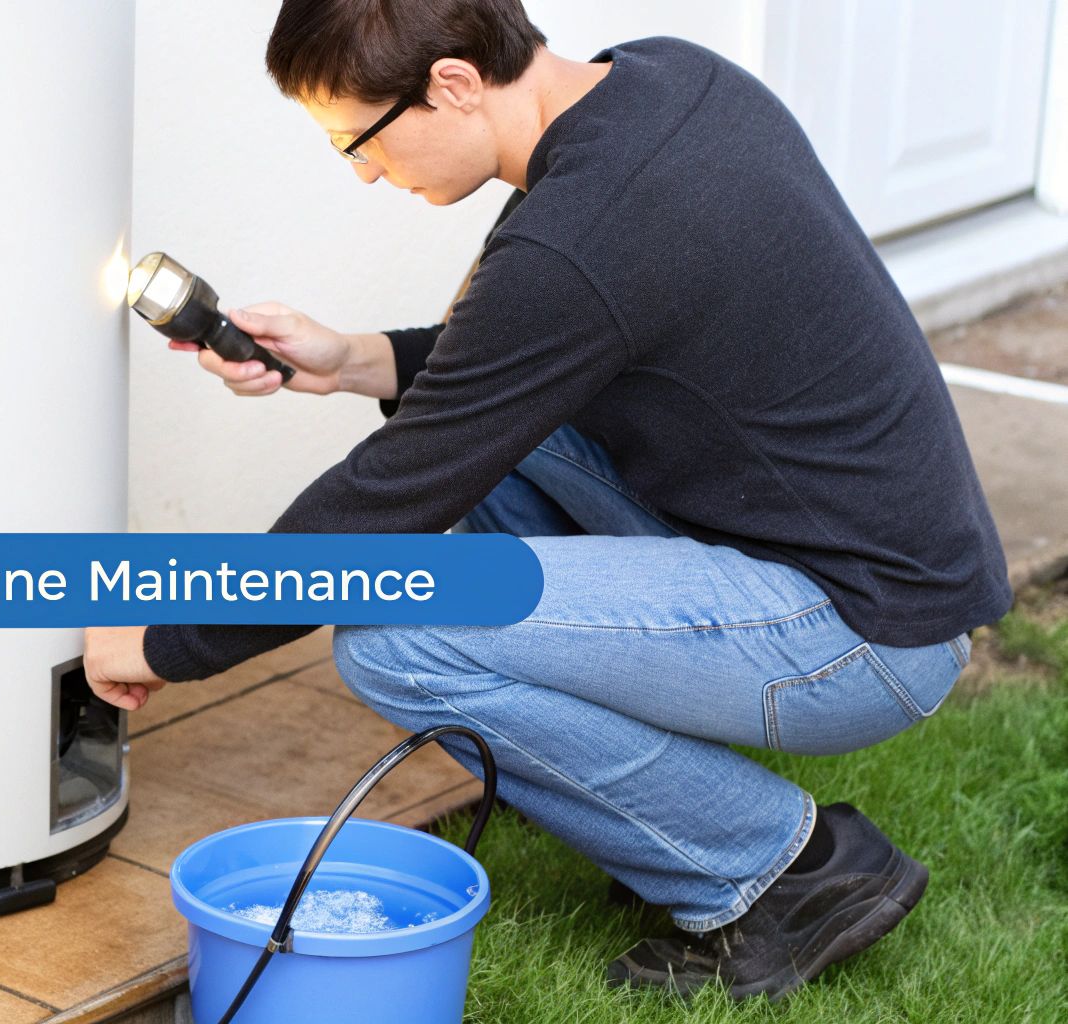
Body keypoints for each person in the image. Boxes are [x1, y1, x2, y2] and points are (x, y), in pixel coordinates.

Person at [83, 0, 1010, 1000]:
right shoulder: (659, 82)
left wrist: (164, 641)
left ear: (450, 82)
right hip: (845, 543)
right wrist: (355, 359)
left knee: (399, 635)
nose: (362, 173)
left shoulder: (585, 231)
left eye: (357, 141)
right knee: (493, 456)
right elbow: (524, 358)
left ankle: (777, 870)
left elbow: (384, 503)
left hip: (860, 631)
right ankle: (643, 799)